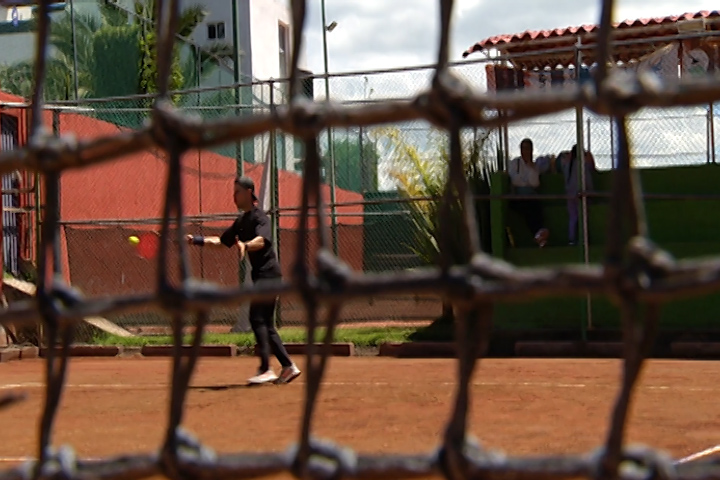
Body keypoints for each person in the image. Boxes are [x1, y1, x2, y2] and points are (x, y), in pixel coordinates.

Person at [186, 175, 301, 386]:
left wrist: (246, 246)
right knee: (264, 322)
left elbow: (262, 241)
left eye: (237, 191)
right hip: (262, 276)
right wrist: (197, 240)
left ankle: (267, 368)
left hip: (269, 275)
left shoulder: (260, 217)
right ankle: (287, 366)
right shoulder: (241, 221)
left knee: (258, 319)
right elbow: (221, 242)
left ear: (248, 193)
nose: (234, 196)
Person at [507, 138, 552, 247]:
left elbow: (535, 183)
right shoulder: (515, 163)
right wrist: (526, 182)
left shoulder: (534, 166)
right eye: (523, 148)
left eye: (527, 148)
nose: (525, 151)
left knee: (535, 206)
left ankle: (539, 236)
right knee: (528, 206)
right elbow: (515, 180)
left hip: (531, 196)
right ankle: (539, 232)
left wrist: (529, 171)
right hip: (518, 196)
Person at [558, 144, 596, 245]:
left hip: (570, 195)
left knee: (573, 217)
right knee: (583, 217)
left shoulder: (567, 165)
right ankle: (584, 238)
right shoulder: (582, 164)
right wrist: (591, 192)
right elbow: (588, 179)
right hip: (581, 193)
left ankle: (572, 239)